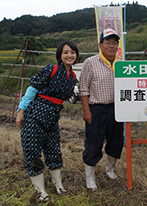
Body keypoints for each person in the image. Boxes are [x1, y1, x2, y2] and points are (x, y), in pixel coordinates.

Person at [16, 40, 79, 202]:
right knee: (32, 151)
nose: (69, 55)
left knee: (53, 150)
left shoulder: (72, 75)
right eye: (65, 52)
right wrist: (21, 110)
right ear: (60, 55)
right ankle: (40, 191)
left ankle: (58, 185)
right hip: (36, 114)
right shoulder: (51, 69)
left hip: (52, 117)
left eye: (72, 52)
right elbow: (32, 89)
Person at [79, 28, 124, 191]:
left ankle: (110, 170)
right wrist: (86, 110)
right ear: (100, 44)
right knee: (93, 143)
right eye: (108, 42)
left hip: (117, 109)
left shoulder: (122, 63)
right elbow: (83, 89)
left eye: (114, 43)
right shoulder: (90, 62)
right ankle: (90, 177)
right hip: (96, 109)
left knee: (116, 141)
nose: (111, 46)